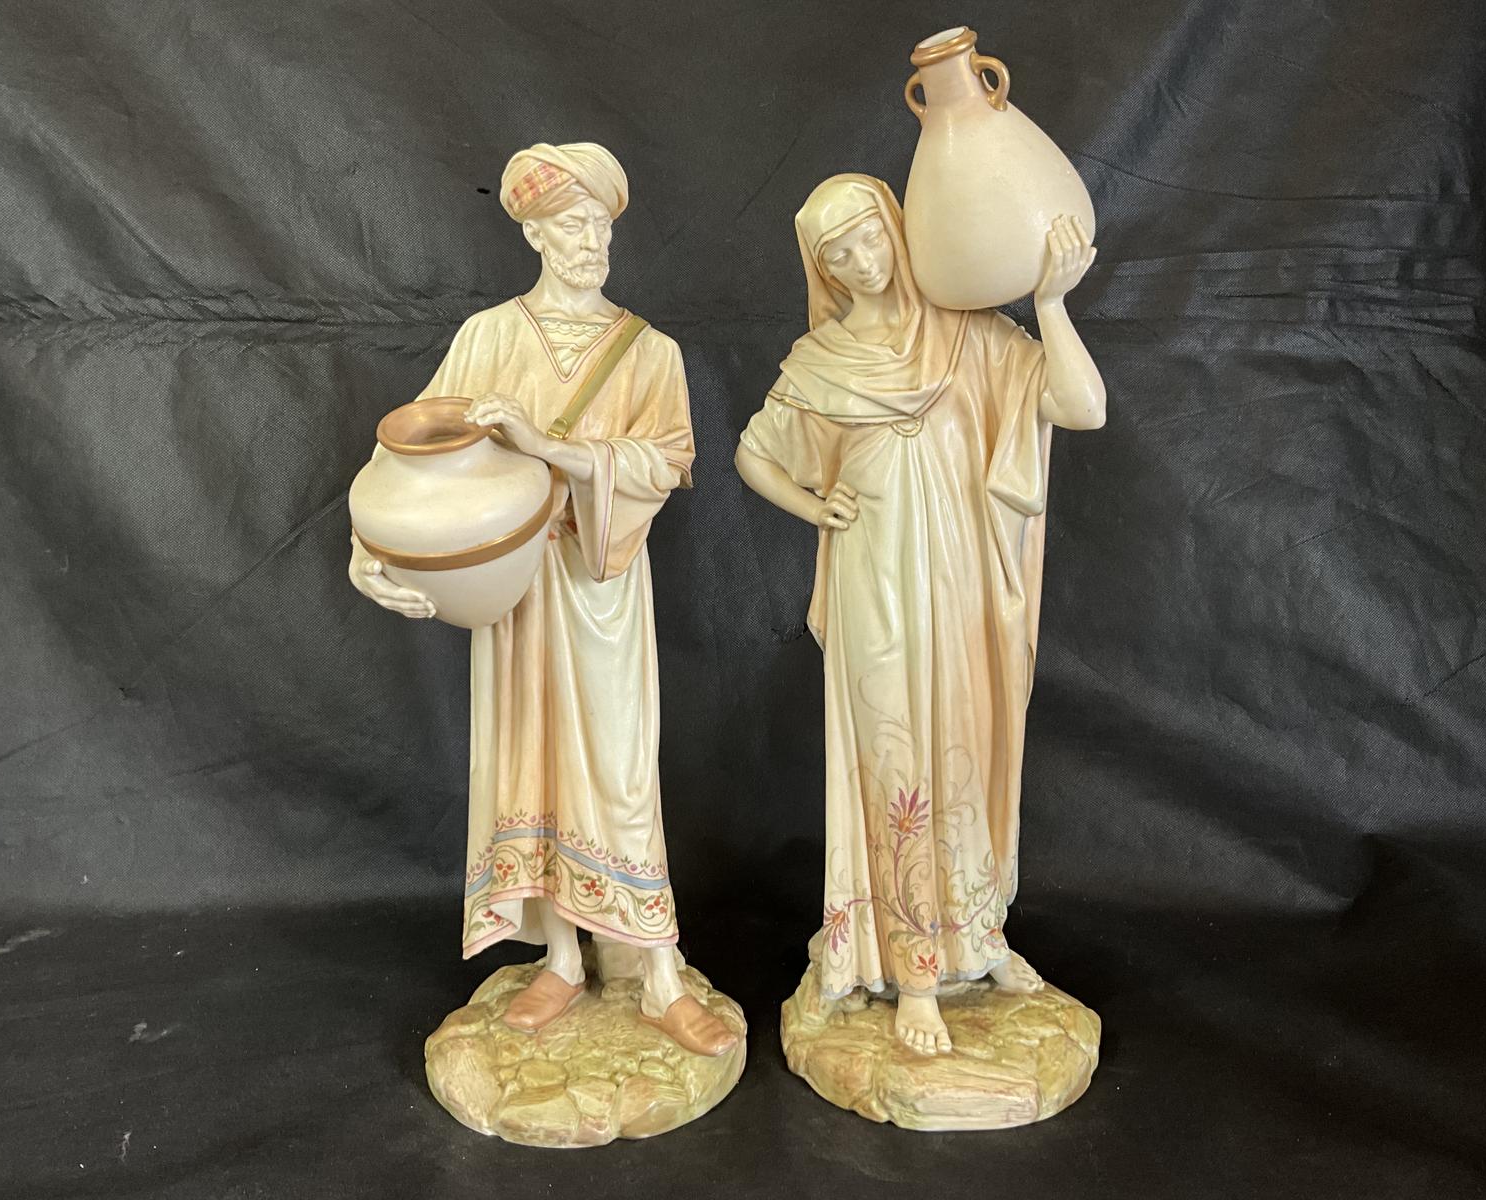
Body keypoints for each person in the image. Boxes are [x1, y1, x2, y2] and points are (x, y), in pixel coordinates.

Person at [350, 142, 735, 1057]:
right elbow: (412, 451)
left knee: (619, 769)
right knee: (532, 762)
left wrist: (550, 448)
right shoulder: (487, 338)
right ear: (534, 234)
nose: (590, 242)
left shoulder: (650, 351)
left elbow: (669, 461)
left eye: (600, 225)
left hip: (600, 582)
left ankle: (660, 972)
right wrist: (369, 548)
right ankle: (561, 958)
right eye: (571, 225)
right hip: (513, 587)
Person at [735, 173, 1104, 1056]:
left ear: (897, 229)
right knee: (895, 758)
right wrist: (812, 505)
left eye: (870, 236)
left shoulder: (971, 334)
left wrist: (1051, 306)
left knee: (970, 751)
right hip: (874, 586)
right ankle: (913, 972)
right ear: (824, 269)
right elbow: (754, 453)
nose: (864, 261)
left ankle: (980, 937)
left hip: (963, 581)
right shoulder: (820, 360)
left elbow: (1083, 407)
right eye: (840, 253)